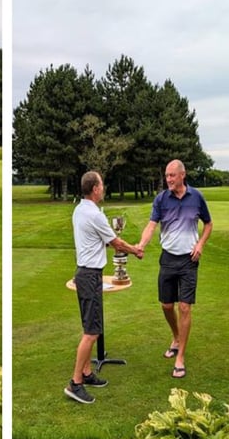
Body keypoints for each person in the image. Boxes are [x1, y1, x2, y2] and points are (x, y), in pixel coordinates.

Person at [65, 171, 143, 404]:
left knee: (90, 326)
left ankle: (87, 373)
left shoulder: (80, 209)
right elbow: (116, 243)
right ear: (96, 189)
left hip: (84, 273)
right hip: (89, 275)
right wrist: (136, 250)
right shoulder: (95, 215)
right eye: (102, 185)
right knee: (92, 332)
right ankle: (75, 383)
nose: (104, 188)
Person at [137, 159, 212, 379]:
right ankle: (176, 337)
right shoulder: (161, 199)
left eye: (172, 175)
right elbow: (151, 226)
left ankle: (180, 358)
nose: (168, 179)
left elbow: (208, 224)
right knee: (167, 305)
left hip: (189, 260)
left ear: (182, 175)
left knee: (185, 308)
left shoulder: (196, 197)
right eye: (166, 176)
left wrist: (200, 244)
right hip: (168, 259)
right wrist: (141, 244)